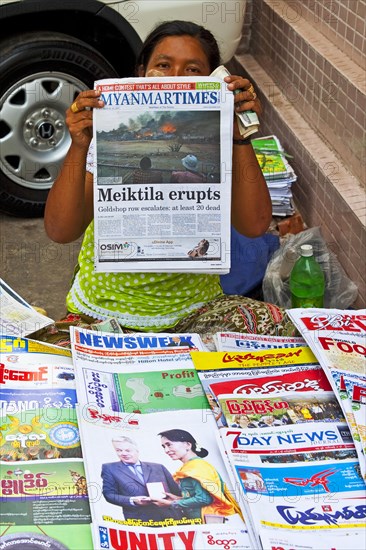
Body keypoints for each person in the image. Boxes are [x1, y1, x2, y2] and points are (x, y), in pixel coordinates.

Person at [43, 20, 295, 344]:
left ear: (212, 81)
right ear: (141, 73)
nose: (176, 78)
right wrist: (80, 143)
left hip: (195, 311)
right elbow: (60, 230)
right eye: (163, 65)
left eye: (192, 70)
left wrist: (241, 138)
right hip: (103, 311)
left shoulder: (222, 144)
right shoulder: (106, 138)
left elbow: (254, 225)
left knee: (279, 328)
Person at [153, 429, 241, 523]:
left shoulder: (197, 467)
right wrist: (178, 498)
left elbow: (204, 499)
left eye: (169, 444)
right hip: (200, 520)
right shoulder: (191, 466)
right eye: (164, 446)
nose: (166, 450)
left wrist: (172, 503)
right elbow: (199, 495)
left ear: (187, 445)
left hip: (210, 521)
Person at [101, 435, 181, 523]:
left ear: (137, 450)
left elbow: (177, 492)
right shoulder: (110, 468)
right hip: (139, 520)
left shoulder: (158, 467)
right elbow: (109, 495)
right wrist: (133, 500)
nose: (123, 453)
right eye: (119, 450)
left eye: (127, 450)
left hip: (170, 517)